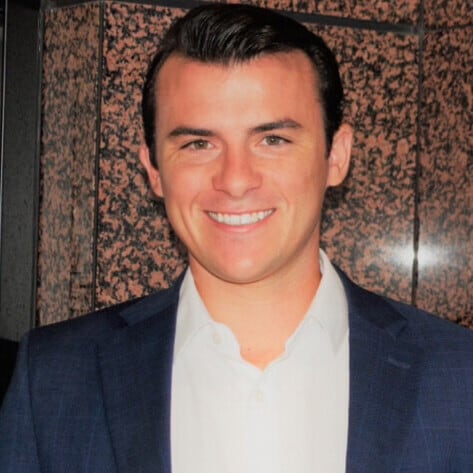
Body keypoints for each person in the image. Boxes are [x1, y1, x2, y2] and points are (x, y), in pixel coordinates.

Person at [1, 3, 473, 472]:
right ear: (154, 169)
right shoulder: (54, 379)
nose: (235, 180)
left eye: (272, 140)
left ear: (336, 156)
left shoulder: (459, 379)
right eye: (198, 144)